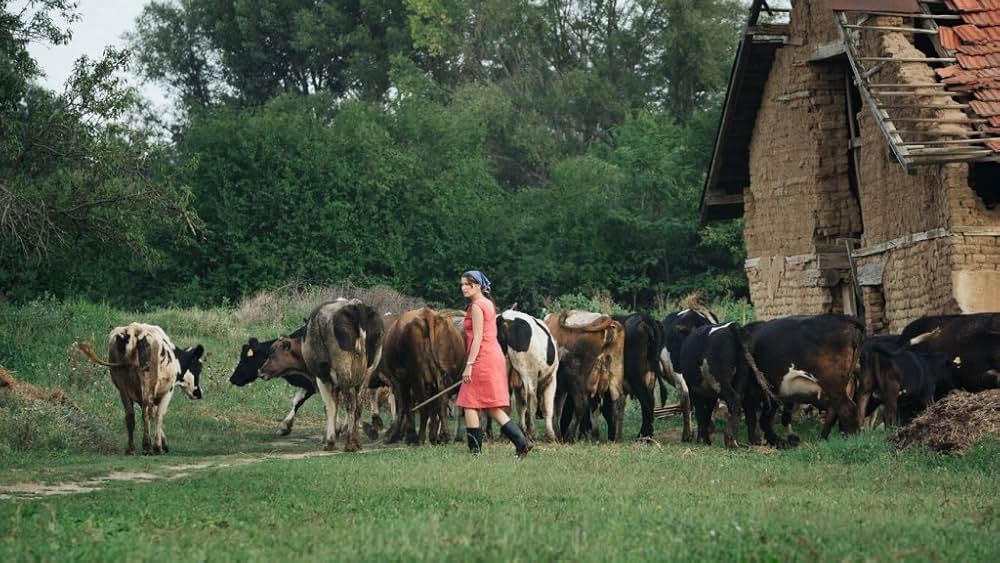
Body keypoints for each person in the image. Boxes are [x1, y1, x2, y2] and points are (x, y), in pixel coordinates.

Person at [456, 270, 532, 458]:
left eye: (468, 284)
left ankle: (475, 454)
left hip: (482, 358)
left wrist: (469, 364)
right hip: (493, 356)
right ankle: (522, 443)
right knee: (491, 406)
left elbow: (478, 338)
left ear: (478, 286)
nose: (464, 288)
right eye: (462, 284)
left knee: (469, 403)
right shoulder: (488, 304)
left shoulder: (476, 306)